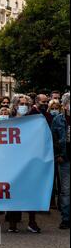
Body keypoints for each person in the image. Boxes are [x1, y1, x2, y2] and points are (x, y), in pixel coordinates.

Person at [6, 94, 41, 233]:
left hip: (30, 160)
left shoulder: (34, 120)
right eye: (21, 103)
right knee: (13, 191)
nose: (24, 106)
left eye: (27, 104)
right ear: (15, 105)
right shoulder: (7, 120)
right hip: (12, 162)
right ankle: (13, 223)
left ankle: (32, 221)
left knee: (31, 190)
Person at [52, 92, 70, 229]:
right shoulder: (58, 120)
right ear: (65, 105)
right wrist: (58, 154)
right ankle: (66, 218)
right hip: (65, 159)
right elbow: (54, 138)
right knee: (65, 190)